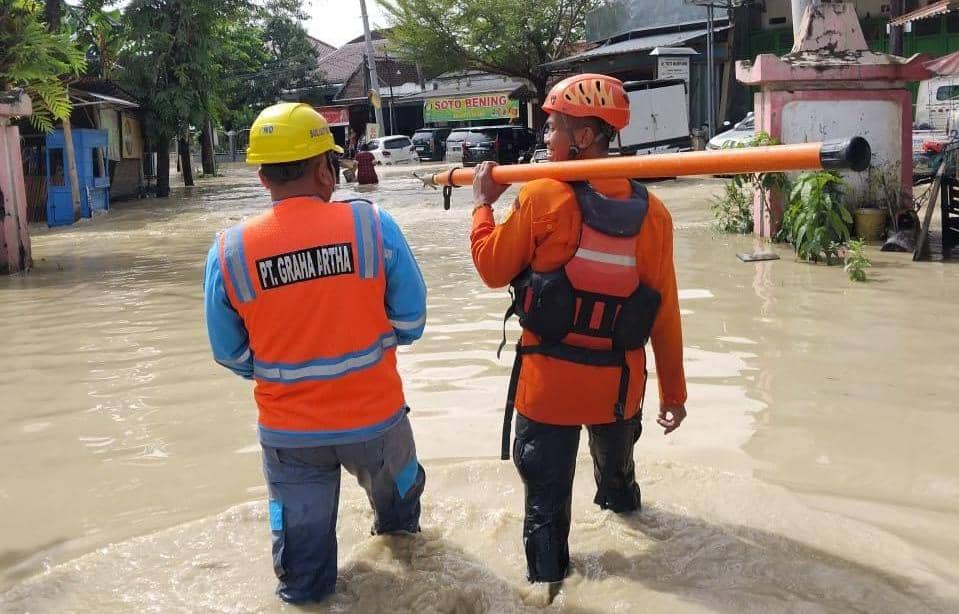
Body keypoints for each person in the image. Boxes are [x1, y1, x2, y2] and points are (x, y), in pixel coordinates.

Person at [202, 102, 427, 604]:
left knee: (302, 581)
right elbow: (412, 322)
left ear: (262, 176)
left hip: (290, 437)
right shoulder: (373, 226)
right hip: (377, 423)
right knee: (403, 535)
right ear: (325, 170)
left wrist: (285, 367)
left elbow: (229, 354)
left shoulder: (229, 251)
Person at [469, 74, 688, 586]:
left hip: (549, 393)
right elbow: (665, 314)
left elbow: (491, 268)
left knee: (545, 515)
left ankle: (549, 593)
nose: (545, 138)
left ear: (584, 137)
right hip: (618, 392)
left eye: (553, 127)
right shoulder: (656, 216)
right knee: (621, 495)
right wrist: (673, 394)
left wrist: (482, 203)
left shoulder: (541, 197)